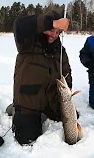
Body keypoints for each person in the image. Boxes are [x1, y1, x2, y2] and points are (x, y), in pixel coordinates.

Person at [6, 10, 73, 145]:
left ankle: (46, 112)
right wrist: (53, 22)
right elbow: (19, 24)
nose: (54, 35)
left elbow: (66, 72)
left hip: (51, 100)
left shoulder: (60, 50)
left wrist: (66, 94)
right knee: (26, 139)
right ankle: (15, 109)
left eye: (58, 31)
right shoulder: (27, 42)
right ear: (44, 27)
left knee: (71, 117)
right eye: (51, 30)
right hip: (29, 101)